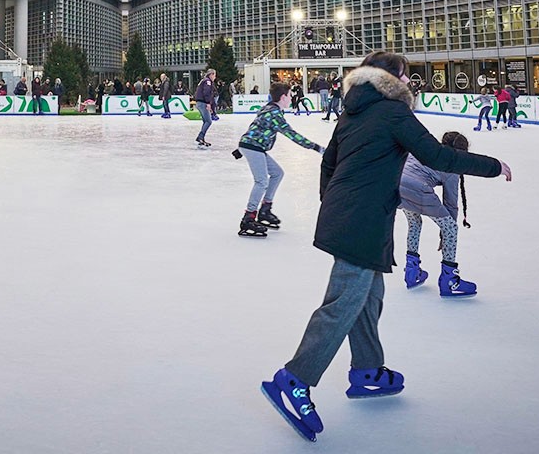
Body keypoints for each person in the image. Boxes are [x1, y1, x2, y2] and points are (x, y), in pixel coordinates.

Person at [261, 51, 510, 442]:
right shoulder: (395, 113)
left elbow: (330, 162)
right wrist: (493, 166)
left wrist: (336, 203)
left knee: (368, 296)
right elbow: (438, 156)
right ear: (393, 78)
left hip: (355, 215)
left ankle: (367, 370)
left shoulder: (352, 112)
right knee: (344, 301)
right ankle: (294, 378)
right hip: (361, 220)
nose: (410, 83)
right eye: (407, 76)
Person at [399, 131, 485, 297]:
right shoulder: (452, 166)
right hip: (418, 188)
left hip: (396, 184)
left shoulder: (426, 149)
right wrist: (445, 234)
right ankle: (449, 281)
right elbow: (451, 205)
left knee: (414, 222)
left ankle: (411, 271)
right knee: (451, 228)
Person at [236, 83, 324, 238]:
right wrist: (316, 147)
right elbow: (292, 135)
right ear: (283, 97)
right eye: (290, 96)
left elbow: (255, 127)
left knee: (277, 173)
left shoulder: (269, 108)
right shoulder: (274, 114)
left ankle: (265, 209)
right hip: (252, 146)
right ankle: (248, 218)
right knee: (261, 181)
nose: (291, 99)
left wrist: (241, 148)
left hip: (253, 146)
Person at [193, 68, 217, 147]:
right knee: (208, 121)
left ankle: (201, 139)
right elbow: (206, 92)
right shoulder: (208, 81)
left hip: (200, 102)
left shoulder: (204, 80)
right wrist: (208, 103)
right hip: (203, 103)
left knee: (205, 121)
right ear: (211, 74)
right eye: (214, 75)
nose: (215, 77)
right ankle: (200, 137)